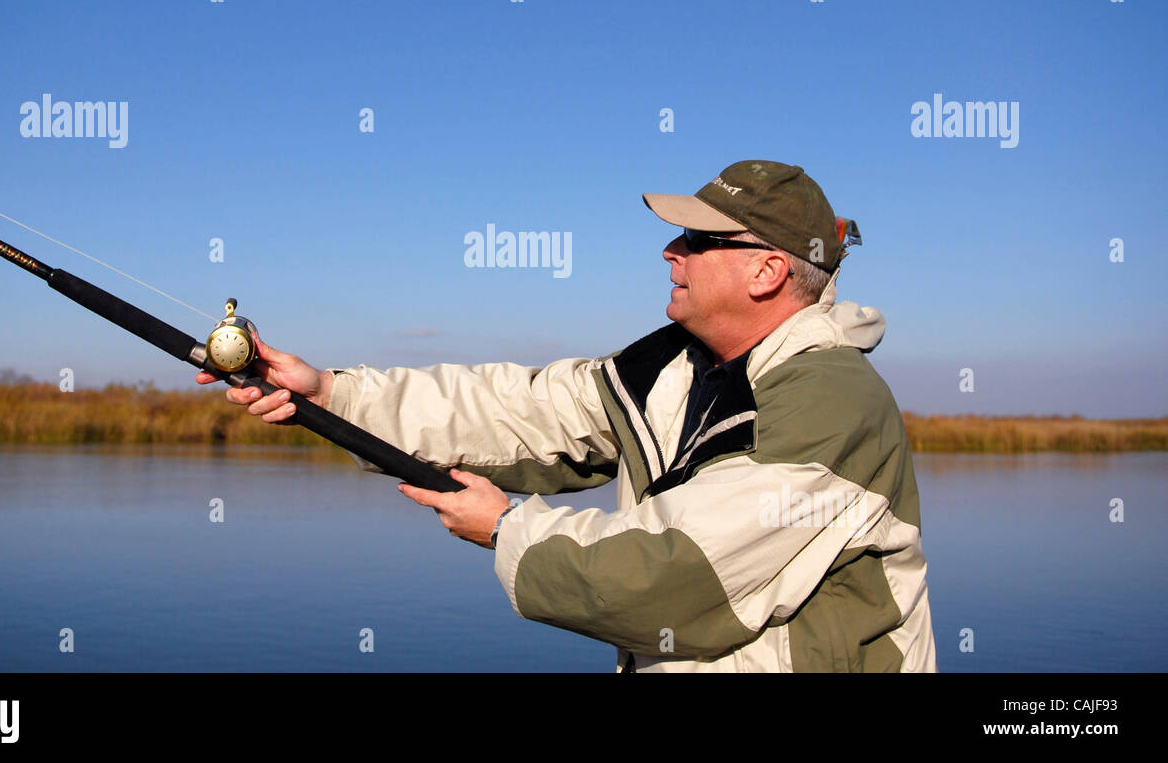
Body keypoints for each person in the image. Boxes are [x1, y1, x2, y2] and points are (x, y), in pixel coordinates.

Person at [197, 160, 937, 672]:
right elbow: (514, 411)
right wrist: (331, 394)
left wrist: (505, 528)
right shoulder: (667, 366)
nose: (670, 250)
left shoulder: (832, 403)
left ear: (768, 270)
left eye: (698, 240)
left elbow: (681, 571)